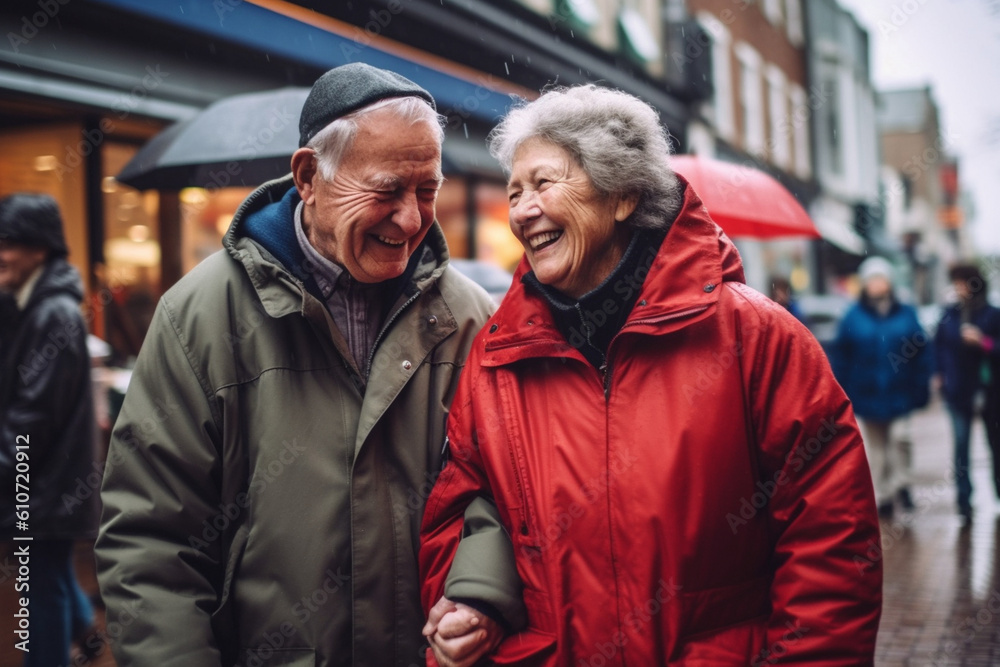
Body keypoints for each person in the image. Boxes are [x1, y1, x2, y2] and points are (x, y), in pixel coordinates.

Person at [419, 84, 882, 665]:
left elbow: (832, 547)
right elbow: (461, 508)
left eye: (543, 183)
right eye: (513, 191)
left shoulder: (755, 338)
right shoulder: (497, 357)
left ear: (624, 196)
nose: (521, 210)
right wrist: (473, 603)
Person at [96, 63, 522, 666]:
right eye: (386, 190)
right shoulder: (200, 317)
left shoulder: (469, 317)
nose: (410, 219)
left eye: (427, 191)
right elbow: (151, 544)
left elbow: (502, 493)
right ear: (309, 177)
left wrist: (478, 593)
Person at [0, 193, 101, 666]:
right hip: (46, 486)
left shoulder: (50, 313)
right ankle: (93, 643)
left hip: (40, 489)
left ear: (39, 249)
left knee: (39, 592)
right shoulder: (31, 305)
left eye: (8, 244)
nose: (1, 254)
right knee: (50, 577)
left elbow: (32, 420)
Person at [828, 256, 932, 519]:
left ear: (890, 282)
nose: (876, 284)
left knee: (900, 439)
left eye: (881, 278)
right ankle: (883, 497)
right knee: (876, 450)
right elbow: (841, 355)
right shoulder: (853, 315)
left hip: (901, 392)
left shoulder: (906, 312)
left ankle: (902, 484)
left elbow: (922, 351)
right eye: (871, 279)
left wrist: (922, 384)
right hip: (867, 394)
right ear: (864, 284)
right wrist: (843, 390)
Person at [934, 262, 1000, 526]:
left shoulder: (992, 314)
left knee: (995, 444)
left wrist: (983, 342)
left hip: (990, 392)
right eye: (955, 283)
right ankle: (964, 501)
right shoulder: (949, 314)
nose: (958, 288)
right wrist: (940, 374)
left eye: (962, 282)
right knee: (961, 446)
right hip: (957, 391)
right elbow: (938, 347)